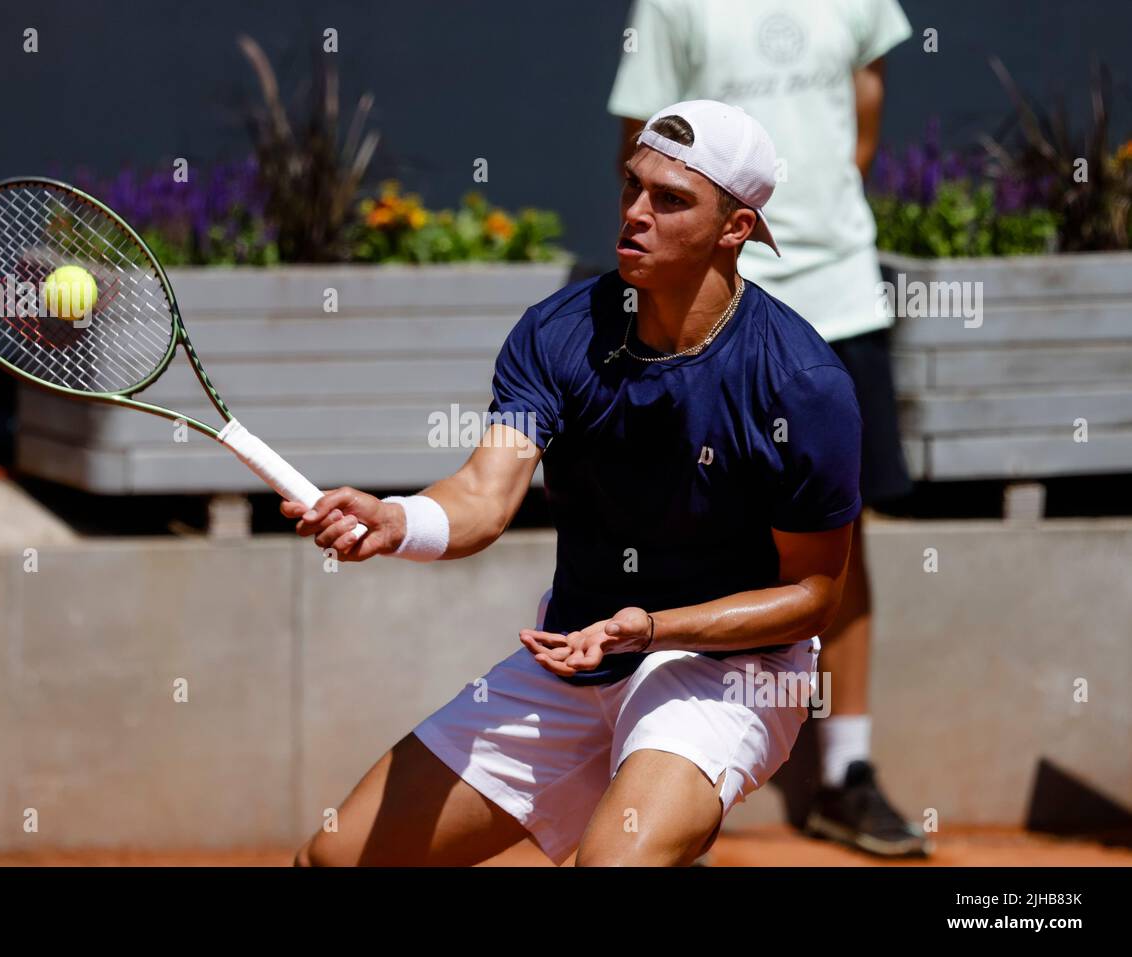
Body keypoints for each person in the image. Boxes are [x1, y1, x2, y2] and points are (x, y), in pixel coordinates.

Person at [289, 100, 861, 867]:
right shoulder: (558, 332)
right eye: (632, 187)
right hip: (575, 649)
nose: (634, 214)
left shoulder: (802, 382)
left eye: (670, 200)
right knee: (334, 859)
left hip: (735, 671)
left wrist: (655, 628)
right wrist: (400, 519)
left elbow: (816, 594)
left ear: (736, 229)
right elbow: (485, 497)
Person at [608, 0, 929, 857]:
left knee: (841, 536)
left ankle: (846, 774)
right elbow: (644, 141)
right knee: (677, 519)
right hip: (712, 304)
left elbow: (864, 109)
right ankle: (674, 789)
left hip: (840, 292)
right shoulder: (669, 5)